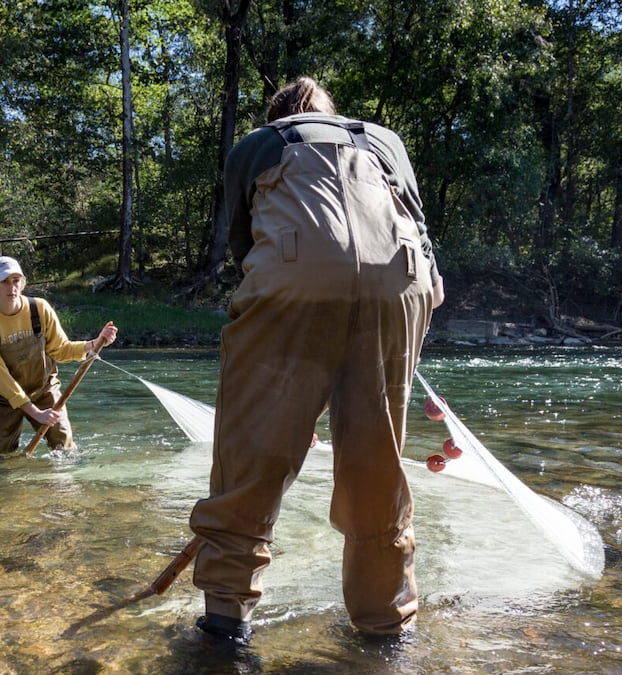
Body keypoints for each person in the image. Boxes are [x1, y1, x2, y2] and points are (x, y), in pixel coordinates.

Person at [187, 77, 446, 643]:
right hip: (401, 285)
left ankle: (225, 631)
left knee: (248, 461)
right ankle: (385, 634)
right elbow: (428, 262)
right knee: (375, 468)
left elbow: (243, 249)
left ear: (276, 115)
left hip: (294, 277)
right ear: (333, 112)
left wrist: (293, 399)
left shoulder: (257, 145)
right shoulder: (385, 141)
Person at [0, 255, 118, 454]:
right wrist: (35, 413)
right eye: (5, 282)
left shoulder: (40, 308)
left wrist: (95, 343)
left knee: (65, 448)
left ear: (23, 283)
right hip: (3, 398)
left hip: (44, 390)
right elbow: (1, 379)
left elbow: (62, 350)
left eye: (16, 281)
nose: (11, 287)